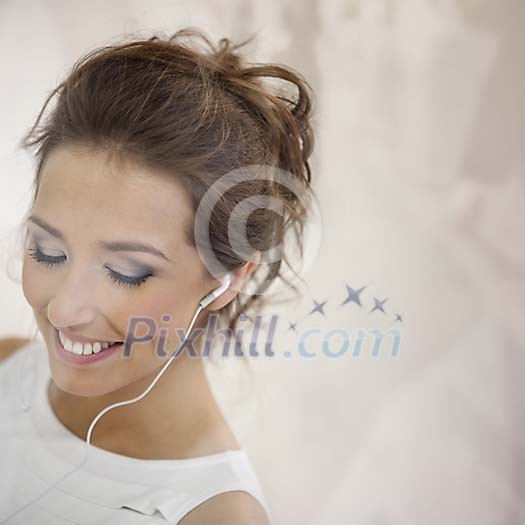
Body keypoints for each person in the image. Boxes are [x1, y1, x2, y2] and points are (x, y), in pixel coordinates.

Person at [0, 27, 315, 524]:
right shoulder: (8, 364)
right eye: (48, 251)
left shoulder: (212, 515)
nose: (63, 310)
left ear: (225, 279)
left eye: (126, 272)